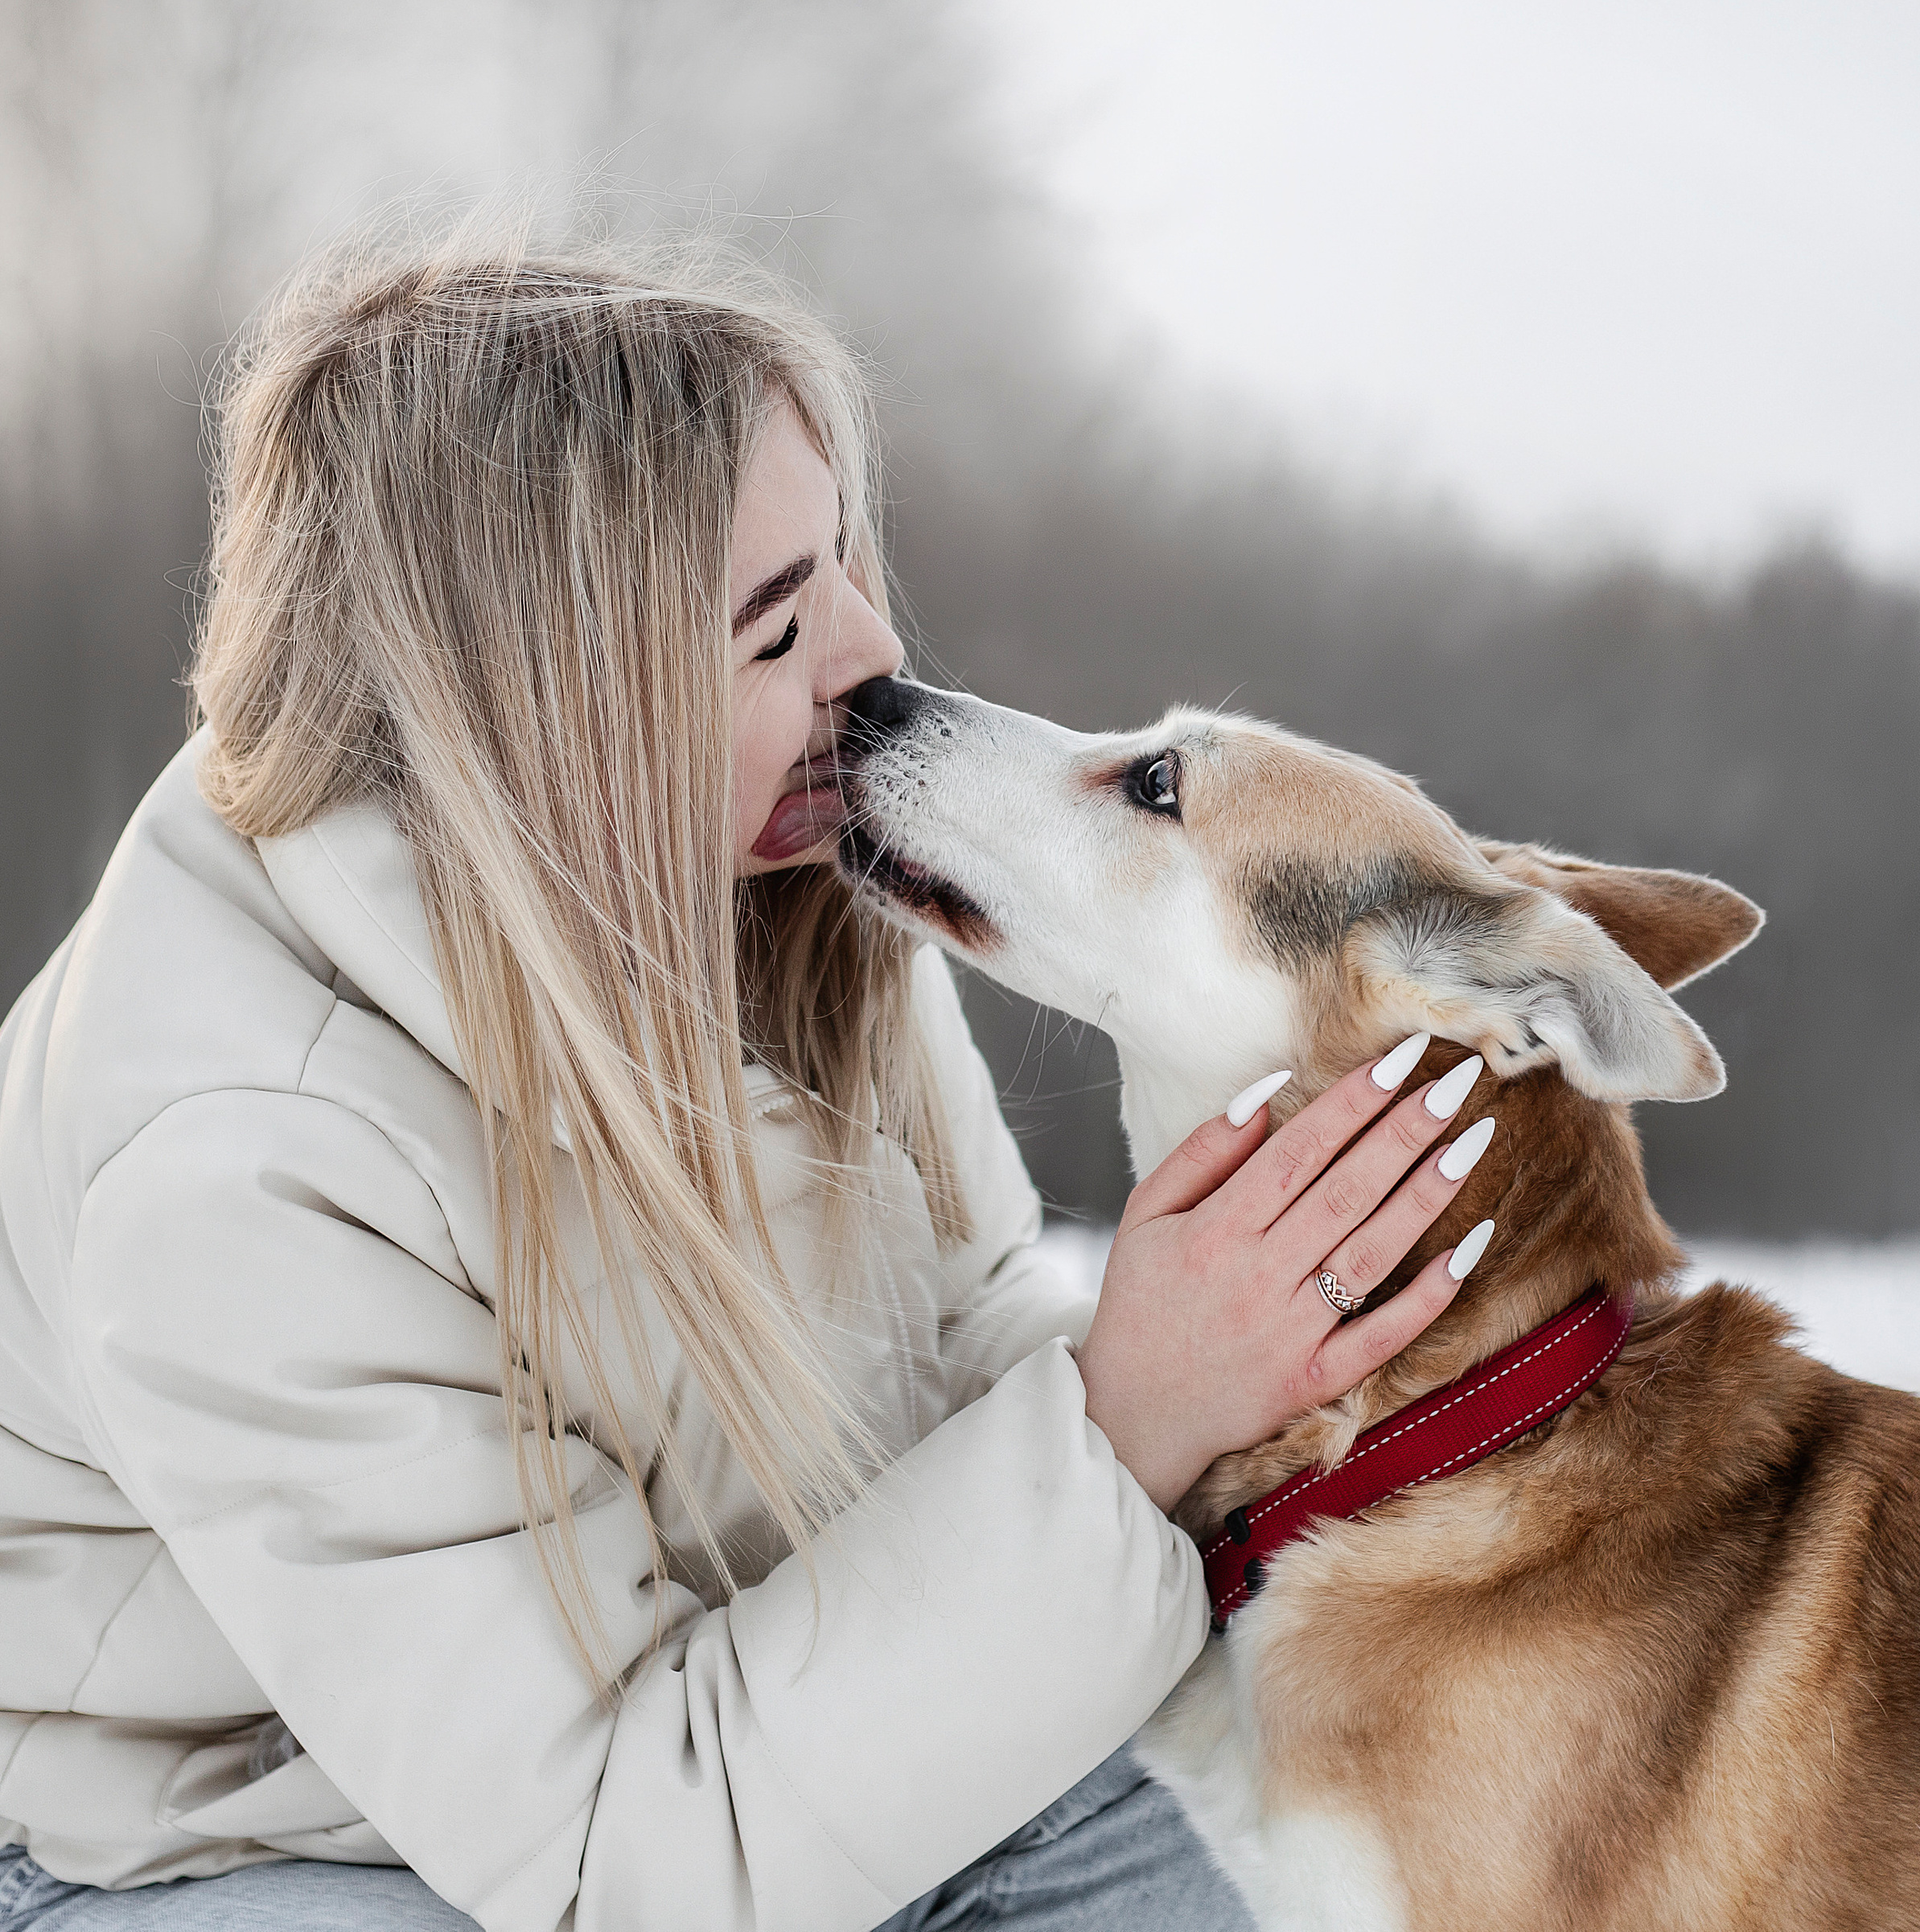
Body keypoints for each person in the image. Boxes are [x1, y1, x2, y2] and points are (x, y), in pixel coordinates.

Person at [0, 235, 1489, 1930]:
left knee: (1251, 1867)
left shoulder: (749, 873)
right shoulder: (239, 1164)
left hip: (750, 1729)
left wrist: (1256, 1421)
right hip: (283, 1844)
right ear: (554, 703)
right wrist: (1120, 1422)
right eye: (775, 622)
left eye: (844, 553)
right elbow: (607, 1858)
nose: (868, 653)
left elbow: (956, 1347)